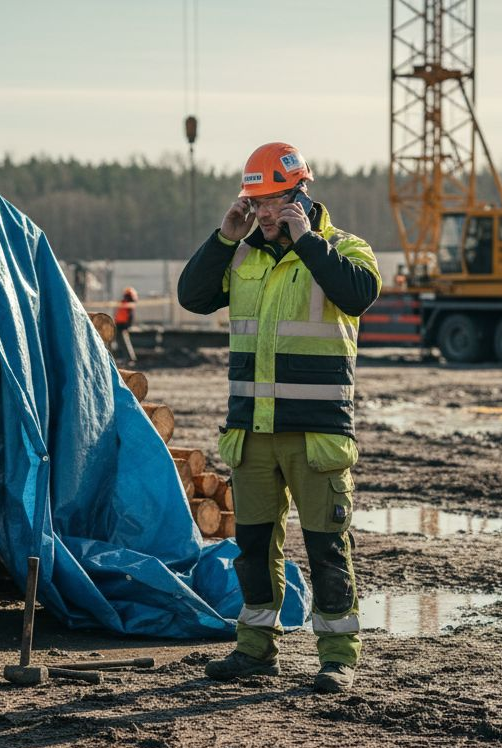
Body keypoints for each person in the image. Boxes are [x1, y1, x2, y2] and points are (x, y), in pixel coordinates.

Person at [176, 142, 381, 693]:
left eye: (273, 201)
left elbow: (358, 295)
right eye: (255, 201)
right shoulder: (241, 255)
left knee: (326, 547)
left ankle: (337, 656)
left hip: (316, 435)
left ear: (300, 195)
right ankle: (254, 650)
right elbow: (192, 296)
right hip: (252, 432)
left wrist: (308, 241)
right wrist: (224, 235)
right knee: (254, 549)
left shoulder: (345, 249)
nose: (263, 212)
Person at [114, 287, 138, 364]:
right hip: (119, 323)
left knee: (124, 341)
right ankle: (126, 358)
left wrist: (127, 324)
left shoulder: (129, 302)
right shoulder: (125, 302)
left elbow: (129, 315)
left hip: (123, 324)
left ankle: (129, 358)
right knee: (120, 341)